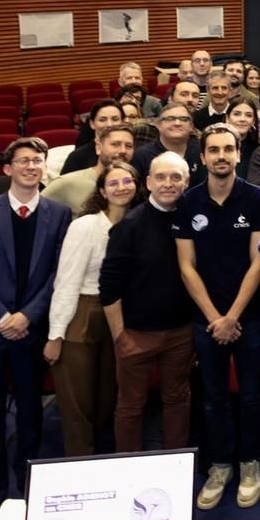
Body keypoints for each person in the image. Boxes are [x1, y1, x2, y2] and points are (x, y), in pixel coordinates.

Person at [0, 137, 72, 516]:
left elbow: (59, 275)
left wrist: (27, 316)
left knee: (30, 416)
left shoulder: (58, 214)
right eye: (22, 161)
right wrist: (3, 317)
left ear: (44, 168)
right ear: (8, 169)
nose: (30, 167)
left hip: (30, 329)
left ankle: (28, 487)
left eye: (37, 161)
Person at [176, 123, 260, 510]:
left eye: (228, 149)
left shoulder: (255, 198)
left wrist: (233, 316)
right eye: (213, 150)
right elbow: (186, 266)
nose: (221, 156)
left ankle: (249, 464)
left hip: (247, 317)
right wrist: (216, 317)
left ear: (237, 154)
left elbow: (259, 262)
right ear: (202, 158)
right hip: (206, 319)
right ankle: (220, 465)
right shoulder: (188, 202)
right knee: (212, 397)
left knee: (250, 395)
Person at [99, 151, 195, 454]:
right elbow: (109, 286)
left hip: (181, 333)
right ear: (149, 183)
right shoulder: (129, 226)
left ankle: (174, 463)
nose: (169, 183)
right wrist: (119, 335)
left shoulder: (194, 219)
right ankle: (129, 466)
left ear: (187, 182)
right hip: (135, 335)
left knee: (178, 401)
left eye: (176, 177)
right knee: (130, 407)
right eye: (162, 177)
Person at [43, 160, 141, 457]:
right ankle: (79, 462)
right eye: (113, 183)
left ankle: (103, 460)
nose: (121, 188)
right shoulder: (84, 226)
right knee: (77, 404)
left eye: (127, 182)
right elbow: (67, 281)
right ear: (102, 190)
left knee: (107, 398)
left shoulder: (137, 223)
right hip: (81, 313)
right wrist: (56, 335)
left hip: (120, 314)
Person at [227, 100, 260, 179]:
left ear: (253, 121)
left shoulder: (259, 151)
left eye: (248, 115)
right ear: (227, 119)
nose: (242, 119)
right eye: (237, 114)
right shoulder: (214, 145)